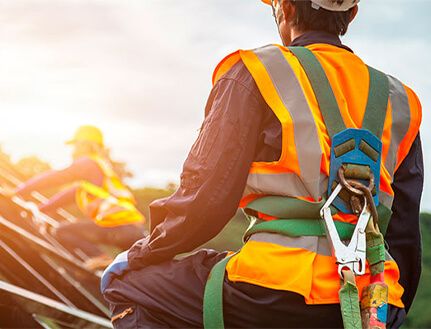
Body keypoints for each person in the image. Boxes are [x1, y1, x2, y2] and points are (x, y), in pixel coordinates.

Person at [101, 0, 423, 328]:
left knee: (126, 286)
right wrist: (388, 311)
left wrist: (141, 254)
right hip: (376, 302)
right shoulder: (401, 101)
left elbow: (204, 202)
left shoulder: (256, 71)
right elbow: (404, 235)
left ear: (286, 8)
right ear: (352, 14)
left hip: (273, 291)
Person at [14, 125, 146, 269]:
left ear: (85, 144)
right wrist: (40, 209)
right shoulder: (97, 174)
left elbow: (57, 177)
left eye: (75, 145)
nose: (74, 150)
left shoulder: (88, 162)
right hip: (133, 231)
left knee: (62, 231)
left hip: (118, 227)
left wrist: (19, 191)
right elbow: (65, 196)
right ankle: (101, 262)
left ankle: (99, 257)